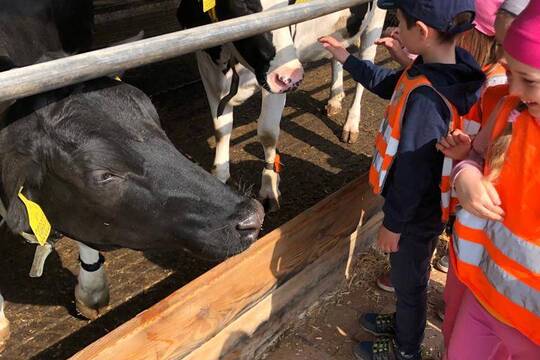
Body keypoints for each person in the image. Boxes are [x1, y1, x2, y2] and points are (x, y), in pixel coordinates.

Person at [319, 1, 485, 359]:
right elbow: (389, 83)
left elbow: (411, 173)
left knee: (410, 285)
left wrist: (392, 225)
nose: (395, 28)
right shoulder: (445, 69)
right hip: (421, 210)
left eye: (400, 21)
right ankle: (404, 324)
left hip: (413, 215)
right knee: (411, 279)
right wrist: (346, 58)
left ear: (421, 32)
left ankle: (406, 349)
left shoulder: (427, 99)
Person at [447, 1, 540, 357]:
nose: (513, 88)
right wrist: (464, 176)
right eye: (510, 72)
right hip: (483, 296)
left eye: (529, 80)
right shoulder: (509, 112)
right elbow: (475, 157)